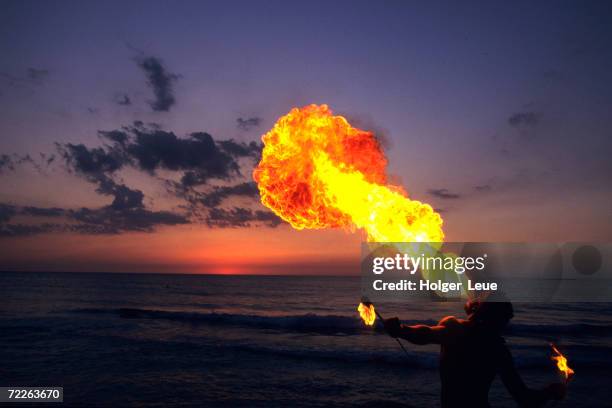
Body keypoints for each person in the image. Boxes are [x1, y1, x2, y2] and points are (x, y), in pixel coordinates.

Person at [384, 299, 566, 408]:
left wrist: (401, 330)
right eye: (504, 320)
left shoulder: (460, 330)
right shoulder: (495, 347)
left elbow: (427, 334)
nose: (505, 326)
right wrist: (549, 393)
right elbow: (525, 399)